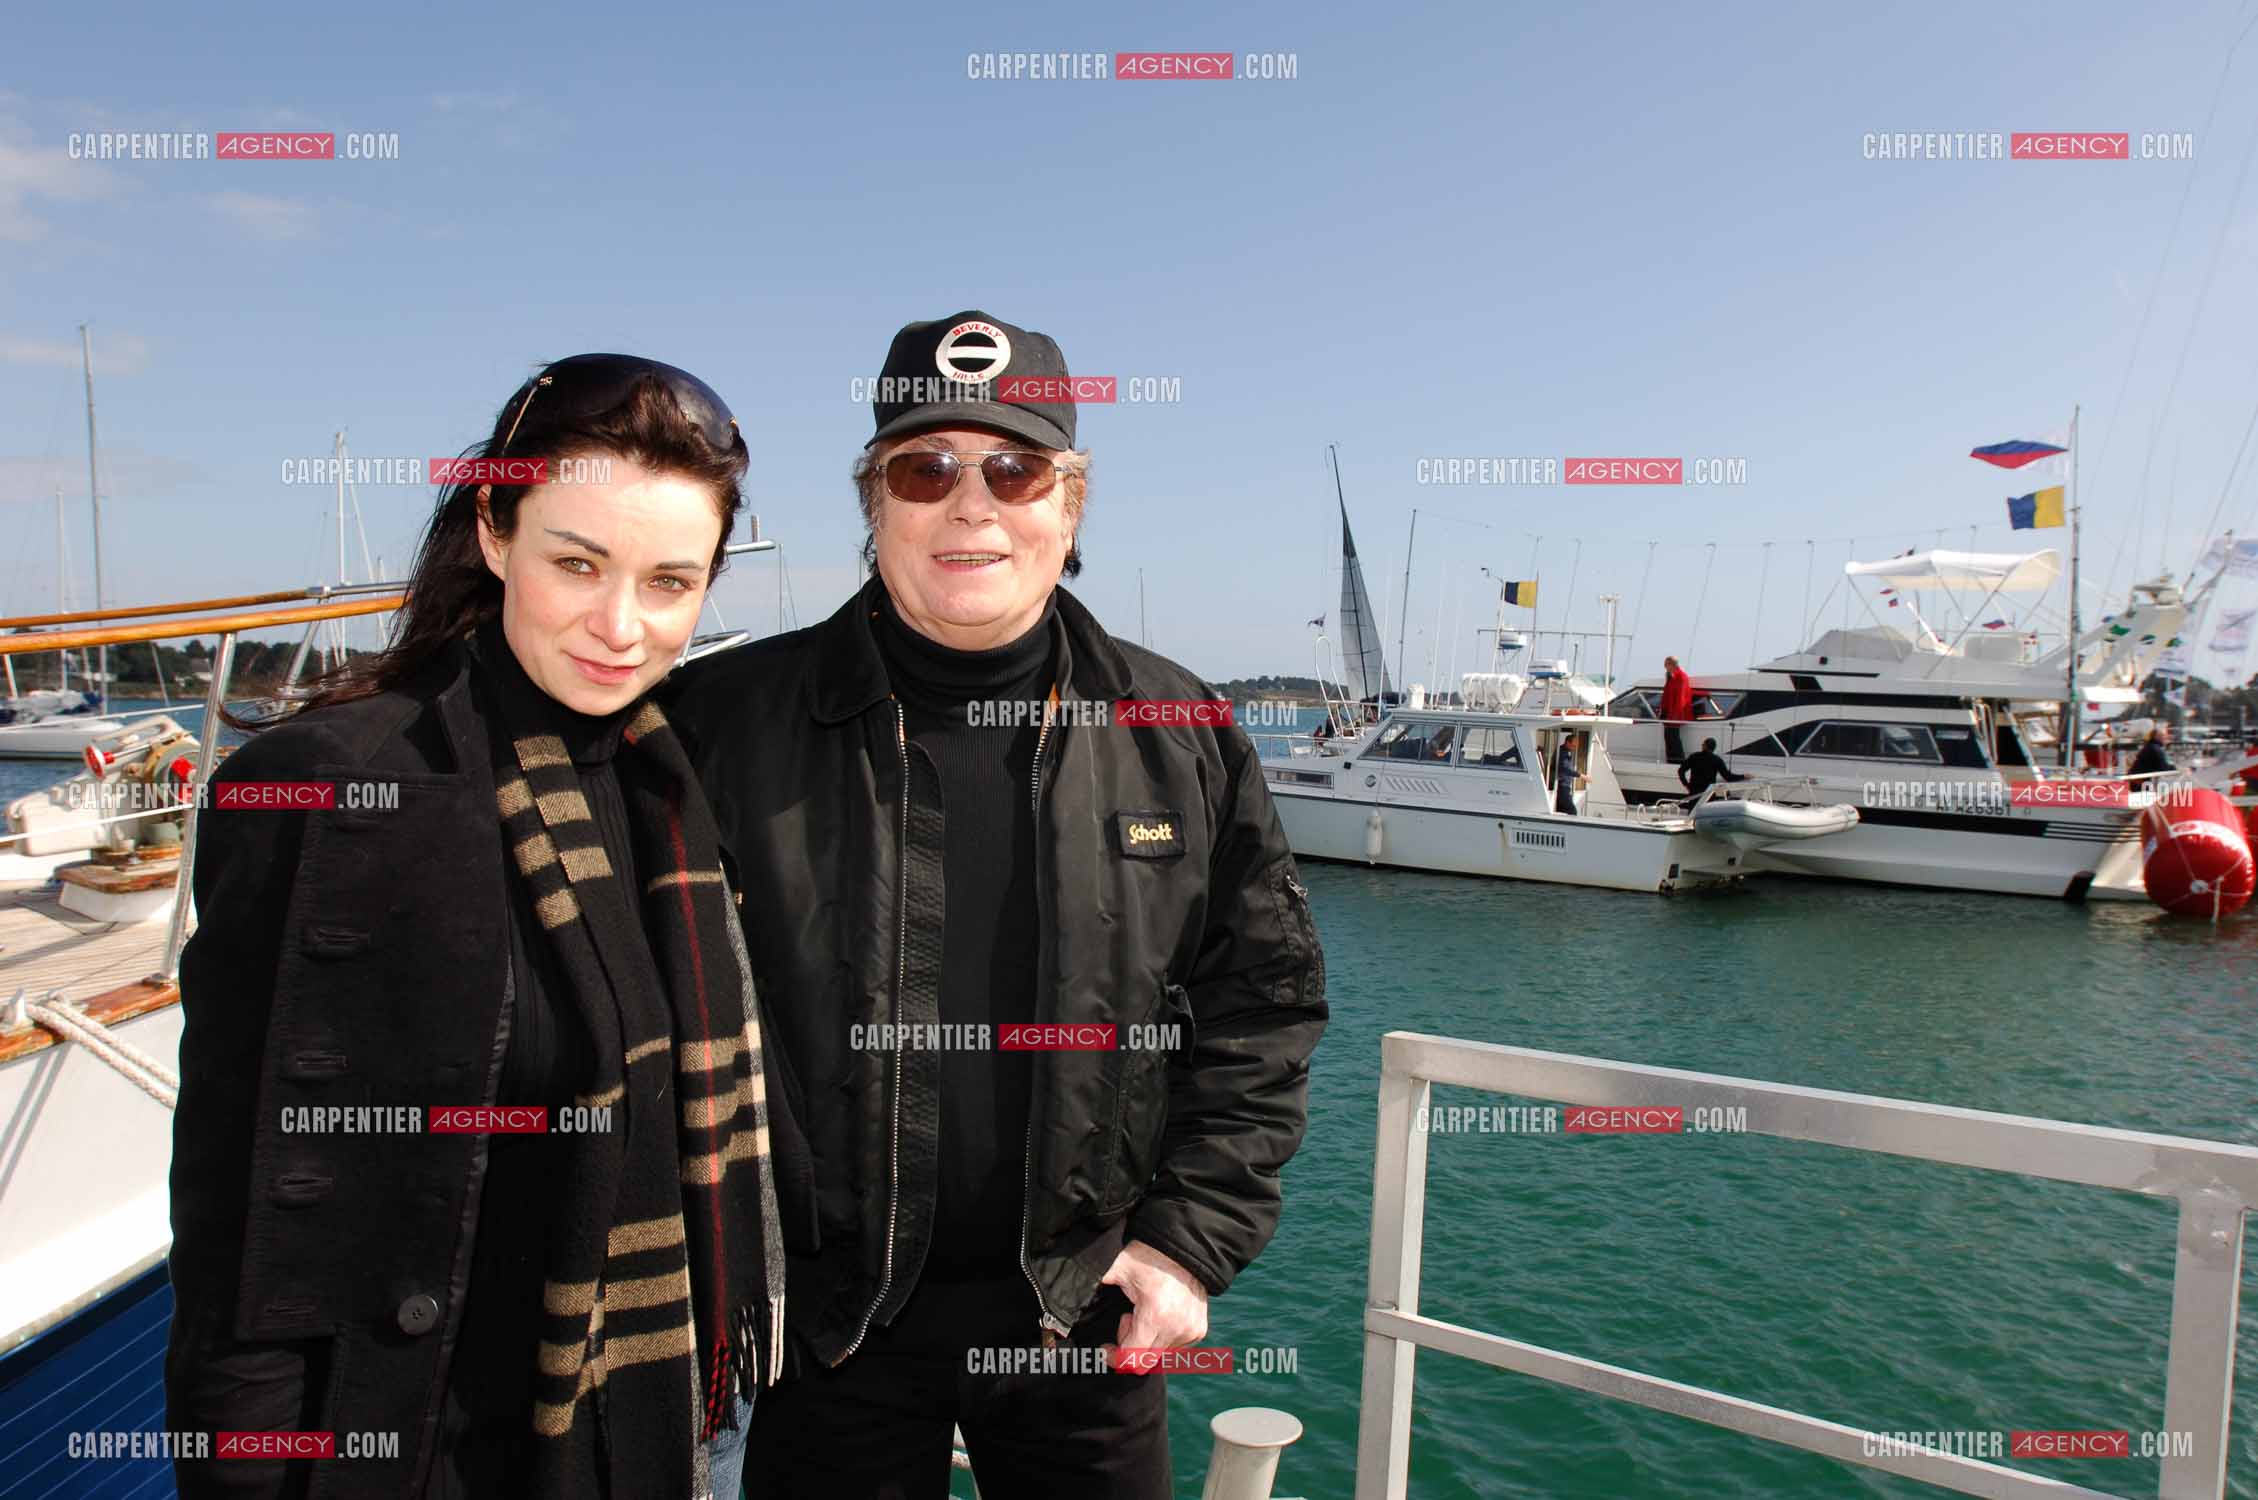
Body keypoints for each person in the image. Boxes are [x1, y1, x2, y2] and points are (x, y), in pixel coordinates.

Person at [663, 309, 1328, 1500]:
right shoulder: (719, 724)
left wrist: (1186, 1242)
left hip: (1082, 1317)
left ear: (1067, 507)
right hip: (824, 1330)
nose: (970, 506)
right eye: (925, 469)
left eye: (1013, 470)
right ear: (875, 505)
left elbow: (1262, 1009)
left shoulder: (1179, 732)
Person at [166, 356, 784, 1500]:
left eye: (669, 582)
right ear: (494, 531)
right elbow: (242, 1231)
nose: (619, 624)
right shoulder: (331, 783)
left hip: (665, 1429)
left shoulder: (674, 782)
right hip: (427, 1453)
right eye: (576, 563)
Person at [1678, 736, 1741, 801]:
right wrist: (1743, 776)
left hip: (1694, 792)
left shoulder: (1694, 756)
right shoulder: (1717, 760)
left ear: (1705, 746)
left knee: (1693, 810)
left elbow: (1681, 771)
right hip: (1708, 793)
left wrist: (1686, 785)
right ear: (1714, 748)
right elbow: (1728, 777)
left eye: (1702, 744)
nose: (1701, 746)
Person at [1659, 655, 1693, 763]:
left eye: (1666, 665)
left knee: (1674, 737)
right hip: (1669, 714)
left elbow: (1680, 698)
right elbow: (1667, 695)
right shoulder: (1671, 677)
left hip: (1675, 715)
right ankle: (1671, 760)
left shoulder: (1681, 677)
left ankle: (1678, 761)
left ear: (1672, 664)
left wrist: (1675, 716)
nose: (1665, 667)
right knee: (1668, 737)